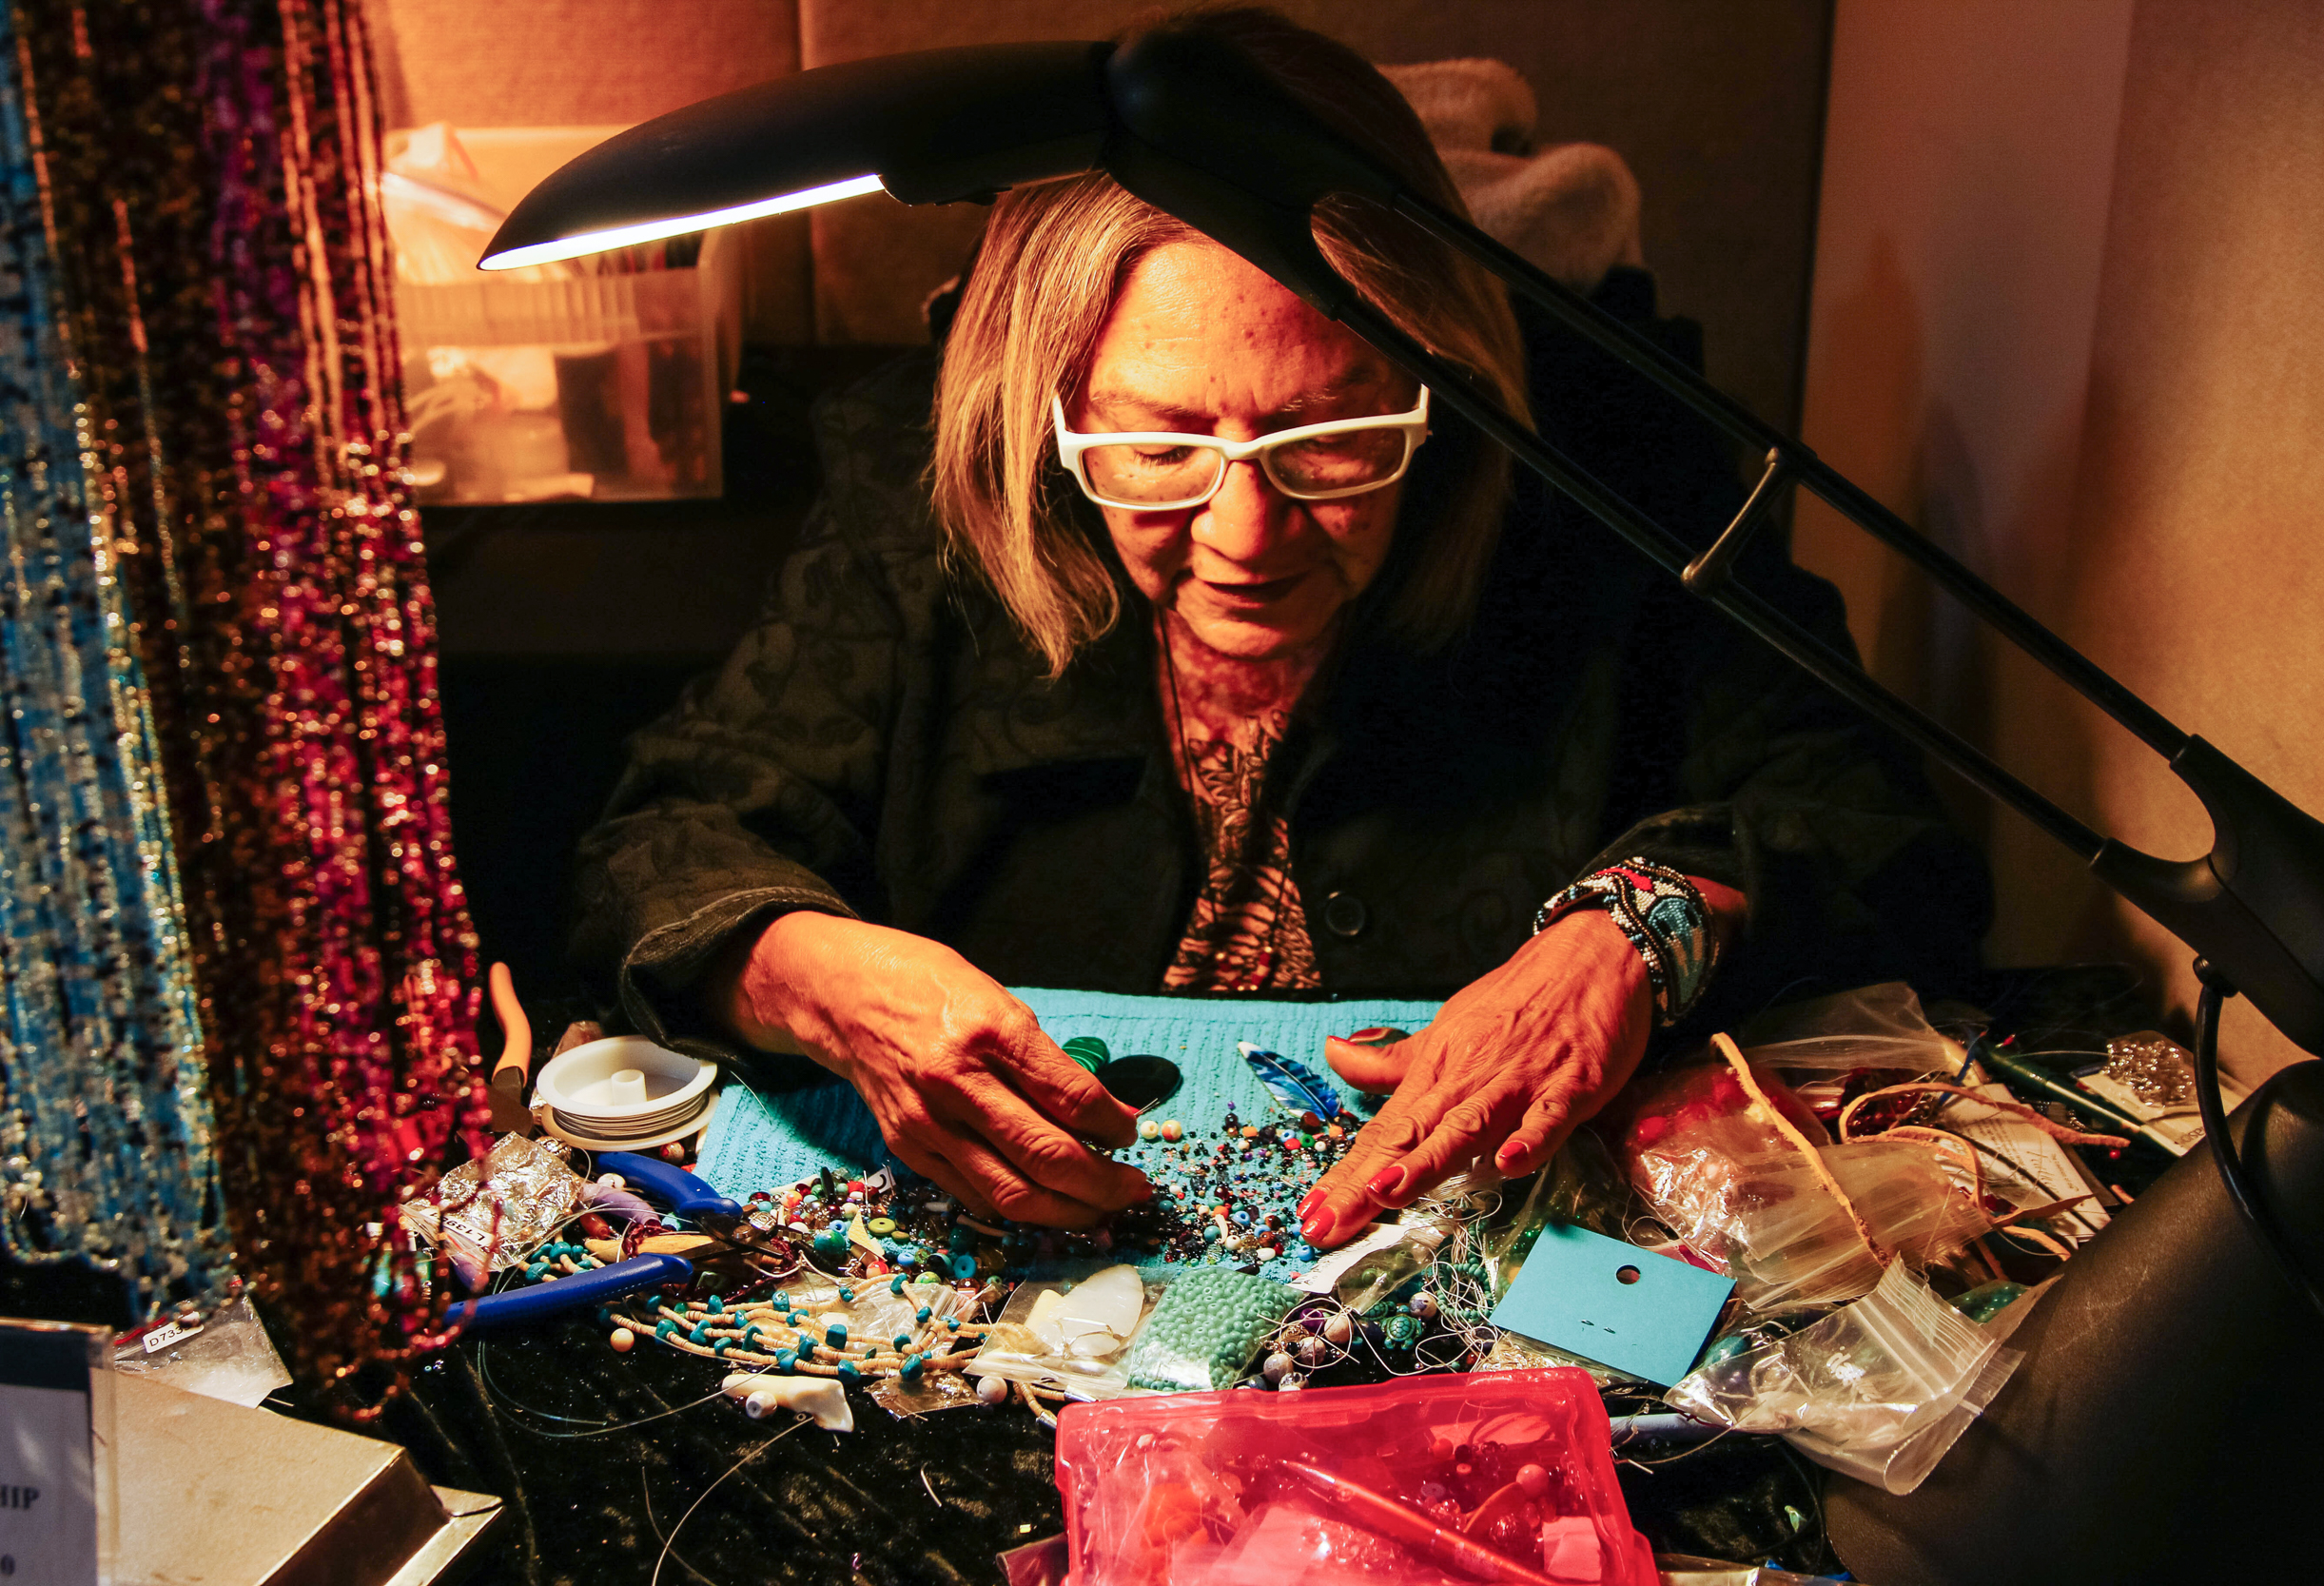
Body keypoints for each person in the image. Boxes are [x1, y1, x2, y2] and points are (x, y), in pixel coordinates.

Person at [569, 8, 1988, 1251]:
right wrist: (816, 978)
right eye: (1158, 445)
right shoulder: (919, 494)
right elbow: (663, 837)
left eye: (1330, 439)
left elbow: (1868, 813)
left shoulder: (1603, 478)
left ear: (1440, 376)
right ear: (1048, 408)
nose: (1245, 536)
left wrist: (1639, 934)